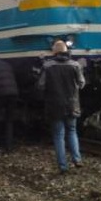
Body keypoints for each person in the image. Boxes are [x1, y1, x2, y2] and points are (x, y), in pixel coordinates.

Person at [37, 40, 86, 174]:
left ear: (55, 52)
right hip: (72, 104)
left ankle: (63, 166)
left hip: (54, 105)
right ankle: (77, 159)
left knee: (58, 135)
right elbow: (82, 83)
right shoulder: (75, 65)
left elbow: (41, 85)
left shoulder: (48, 66)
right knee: (72, 131)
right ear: (66, 51)